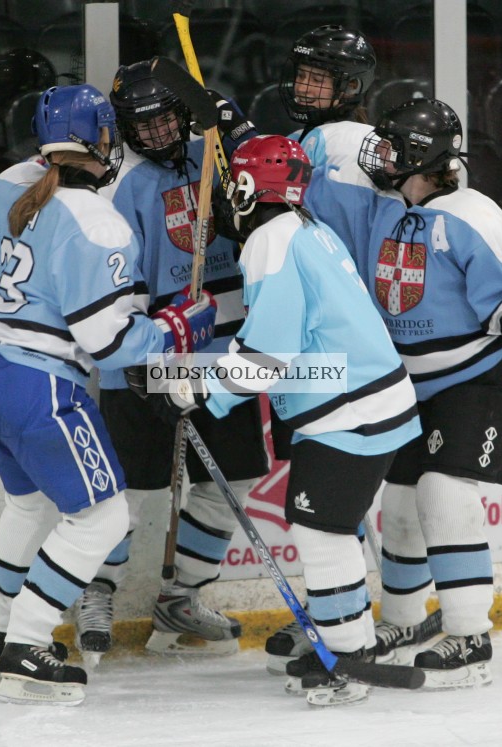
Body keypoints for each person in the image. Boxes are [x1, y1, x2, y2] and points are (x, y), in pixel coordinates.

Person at [130, 135, 421, 707]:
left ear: (243, 187)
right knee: (327, 528)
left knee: (322, 531)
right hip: (364, 402)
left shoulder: (270, 240)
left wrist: (196, 393)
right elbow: (280, 351)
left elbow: (269, 356)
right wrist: (186, 385)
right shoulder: (305, 227)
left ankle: (348, 655)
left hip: (350, 412)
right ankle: (347, 643)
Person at [0, 83, 217, 705]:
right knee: (102, 518)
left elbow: (7, 239)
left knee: (26, 508)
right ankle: (27, 647)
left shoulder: (4, 186)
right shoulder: (100, 220)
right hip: (39, 384)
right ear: (105, 139)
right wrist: (179, 327)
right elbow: (109, 344)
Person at [313, 97, 502, 689]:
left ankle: (471, 634)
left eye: (395, 145)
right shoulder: (379, 205)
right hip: (408, 386)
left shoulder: (473, 213)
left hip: (477, 379)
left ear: (423, 156)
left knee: (443, 492)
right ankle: (402, 621)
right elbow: (299, 193)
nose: (381, 153)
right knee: (398, 507)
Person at [67, 60, 268, 663]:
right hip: (150, 351)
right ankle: (97, 593)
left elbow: (275, 174)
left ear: (185, 115)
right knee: (130, 489)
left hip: (221, 352)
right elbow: (115, 280)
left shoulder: (218, 153)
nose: (155, 135)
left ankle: (183, 597)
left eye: (164, 121)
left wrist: (234, 125)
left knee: (229, 478)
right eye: (140, 125)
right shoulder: (118, 185)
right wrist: (140, 346)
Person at [264, 24, 447, 672]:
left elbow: (417, 183)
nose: (308, 86)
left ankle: (350, 619)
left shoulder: (348, 143)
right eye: (305, 74)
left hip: (353, 351)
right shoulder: (312, 140)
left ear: (349, 87)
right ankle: (342, 612)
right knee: (343, 499)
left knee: (338, 497)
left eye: (322, 77)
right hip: (343, 348)